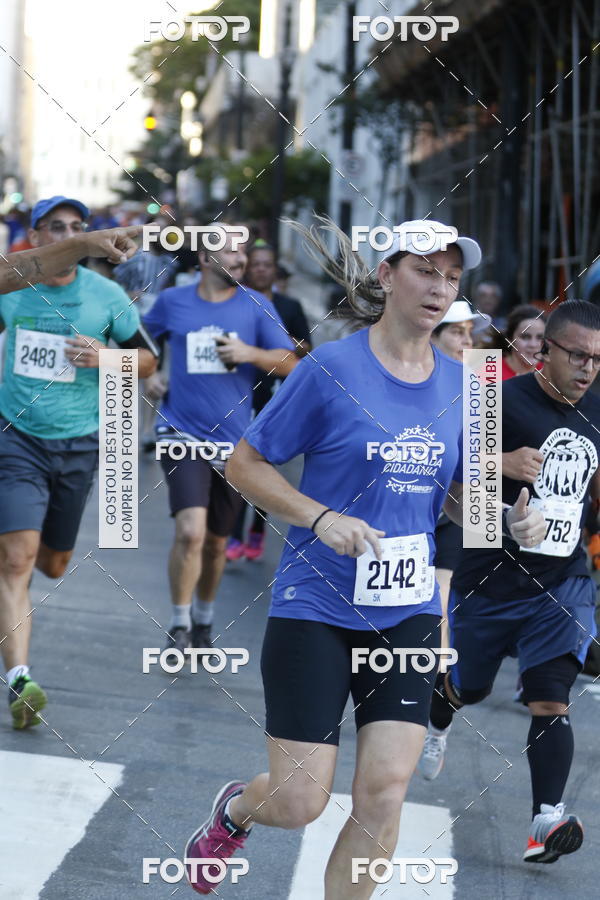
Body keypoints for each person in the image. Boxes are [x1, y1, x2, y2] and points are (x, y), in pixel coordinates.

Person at [182, 217, 544, 897]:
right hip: (316, 606)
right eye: (424, 270)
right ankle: (235, 810)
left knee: (384, 790)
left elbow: (459, 495)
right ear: (386, 276)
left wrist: (506, 518)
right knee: (299, 802)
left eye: (450, 275)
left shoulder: (467, 384)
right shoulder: (331, 369)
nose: (439, 287)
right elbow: (244, 464)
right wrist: (319, 516)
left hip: (404, 611)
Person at [419, 300, 600, 865]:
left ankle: (546, 819)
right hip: (489, 580)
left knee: (551, 699)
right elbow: (446, 493)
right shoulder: (495, 401)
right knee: (469, 685)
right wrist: (499, 465)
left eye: (598, 358)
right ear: (543, 351)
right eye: (577, 355)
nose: (588, 368)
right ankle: (443, 705)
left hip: (562, 581)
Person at [0, 196, 158, 729]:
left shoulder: (106, 295)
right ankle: (20, 679)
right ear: (38, 235)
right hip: (16, 435)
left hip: (81, 441)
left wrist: (105, 357)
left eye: (76, 227)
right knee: (16, 560)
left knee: (51, 564)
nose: (67, 233)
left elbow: (149, 360)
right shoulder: (13, 288)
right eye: (55, 227)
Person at [142, 225, 296, 656]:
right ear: (206, 259)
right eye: (230, 251)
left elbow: (290, 363)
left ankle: (204, 619)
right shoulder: (173, 301)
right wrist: (152, 375)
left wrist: (250, 354)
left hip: (234, 444)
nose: (240, 258)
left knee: (214, 543)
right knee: (190, 531)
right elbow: (138, 343)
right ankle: (178, 622)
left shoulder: (257, 306)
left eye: (243, 251)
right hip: (180, 431)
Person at [226, 241, 312, 562]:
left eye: (267, 264)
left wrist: (277, 345)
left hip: (278, 393)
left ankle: (257, 529)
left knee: (264, 462)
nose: (261, 268)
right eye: (256, 263)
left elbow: (306, 345)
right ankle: (233, 532)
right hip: (242, 389)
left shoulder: (289, 305)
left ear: (275, 270)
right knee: (237, 459)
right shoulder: (236, 303)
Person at [430, 299, 489, 647]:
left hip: (454, 511)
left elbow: (483, 470)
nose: (467, 341)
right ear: (431, 335)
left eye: (470, 333)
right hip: (401, 514)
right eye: (456, 332)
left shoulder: (480, 387)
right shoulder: (403, 379)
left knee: (442, 595)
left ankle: (434, 680)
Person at [502, 304, 546, 379]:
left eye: (540, 337)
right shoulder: (491, 375)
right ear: (510, 339)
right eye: (525, 337)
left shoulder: (550, 375)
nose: (533, 345)